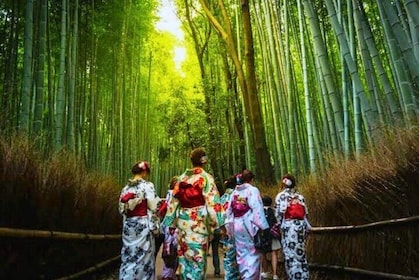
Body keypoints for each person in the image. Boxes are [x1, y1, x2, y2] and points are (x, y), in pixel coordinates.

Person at [162, 147, 224, 280]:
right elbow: (212, 204)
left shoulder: (181, 178)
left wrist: (170, 223)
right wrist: (216, 225)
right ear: (204, 161)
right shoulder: (206, 178)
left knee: (184, 258)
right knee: (198, 258)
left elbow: (173, 203)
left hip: (183, 223)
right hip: (198, 223)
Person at [118, 160, 161, 280]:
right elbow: (153, 208)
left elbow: (122, 209)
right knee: (144, 257)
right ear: (144, 172)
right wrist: (155, 227)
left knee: (128, 255)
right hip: (143, 226)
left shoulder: (125, 188)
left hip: (129, 226)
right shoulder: (148, 186)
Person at [226, 169, 269, 280]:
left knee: (241, 254)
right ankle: (250, 277)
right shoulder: (252, 190)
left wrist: (229, 227)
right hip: (248, 225)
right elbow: (257, 209)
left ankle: (244, 275)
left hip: (236, 224)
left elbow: (229, 211)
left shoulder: (235, 192)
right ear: (251, 179)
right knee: (253, 254)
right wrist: (263, 227)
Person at [275, 173, 311, 280]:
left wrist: (278, 226)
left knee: (290, 255)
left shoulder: (281, 196)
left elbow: (278, 214)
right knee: (301, 254)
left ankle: (294, 277)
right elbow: (306, 214)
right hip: (301, 227)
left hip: (288, 227)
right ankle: (304, 276)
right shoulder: (300, 196)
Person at [219, 175, 240, 280]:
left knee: (228, 255)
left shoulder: (222, 198)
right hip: (238, 228)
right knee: (239, 255)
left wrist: (222, 228)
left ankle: (229, 277)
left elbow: (219, 215)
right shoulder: (237, 196)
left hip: (226, 230)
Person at [160, 176, 179, 280]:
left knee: (169, 250)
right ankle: (171, 273)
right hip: (175, 225)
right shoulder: (176, 194)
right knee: (175, 250)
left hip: (169, 225)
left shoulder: (168, 195)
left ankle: (168, 274)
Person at [261, 195, 281, 280]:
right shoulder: (274, 211)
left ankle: (265, 272)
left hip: (263, 235)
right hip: (273, 235)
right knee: (274, 254)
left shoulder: (259, 211)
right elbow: (279, 222)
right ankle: (275, 274)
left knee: (263, 254)